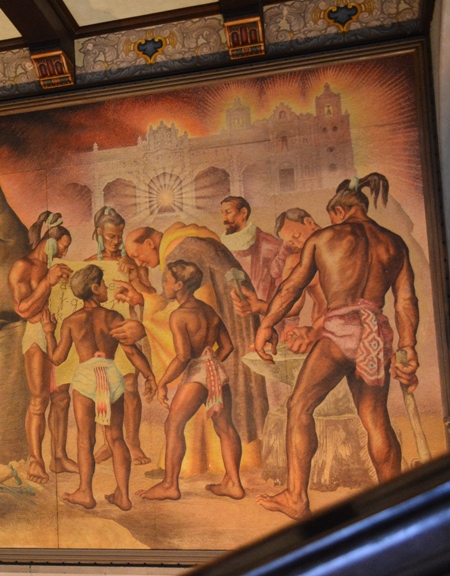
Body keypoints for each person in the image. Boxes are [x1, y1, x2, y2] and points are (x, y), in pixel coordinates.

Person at [254, 173, 420, 519]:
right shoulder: (394, 243)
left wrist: (267, 325)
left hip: (339, 333)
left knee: (300, 406)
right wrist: (408, 347)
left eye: (332, 216)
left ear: (339, 211)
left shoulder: (325, 237)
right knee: (375, 418)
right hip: (375, 336)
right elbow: (405, 301)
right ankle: (397, 504)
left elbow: (291, 287)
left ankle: (296, 498)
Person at [111, 222, 268, 454]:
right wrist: (142, 296)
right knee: (224, 421)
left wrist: (144, 327)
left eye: (136, 255)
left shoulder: (180, 252)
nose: (138, 262)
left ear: (149, 243)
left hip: (208, 352)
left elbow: (187, 318)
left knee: (182, 423)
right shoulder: (190, 241)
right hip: (230, 336)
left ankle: (198, 464)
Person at [41, 264, 157, 511]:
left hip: (85, 379)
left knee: (85, 439)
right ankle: (123, 495)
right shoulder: (113, 317)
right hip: (110, 376)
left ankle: (86, 492)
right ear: (95, 288)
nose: (106, 288)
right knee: (115, 437)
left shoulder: (71, 321)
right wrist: (149, 375)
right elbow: (131, 351)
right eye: (103, 284)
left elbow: (57, 358)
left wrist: (49, 333)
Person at [136, 260, 244, 501]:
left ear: (179, 285)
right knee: (225, 427)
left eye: (166, 280)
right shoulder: (209, 311)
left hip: (197, 373)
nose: (163, 284)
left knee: (173, 425)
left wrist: (163, 382)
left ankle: (170, 485)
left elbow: (184, 357)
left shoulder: (180, 315)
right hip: (216, 372)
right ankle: (234, 483)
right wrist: (211, 363)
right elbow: (227, 346)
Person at [8, 211, 77, 484]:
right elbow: (23, 309)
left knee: (61, 398)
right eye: (63, 246)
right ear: (50, 242)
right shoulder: (22, 266)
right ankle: (36, 460)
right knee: (39, 400)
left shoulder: (56, 265)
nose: (65, 252)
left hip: (59, 334)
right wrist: (48, 282)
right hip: (37, 335)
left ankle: (58, 456)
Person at [85, 205, 151, 466]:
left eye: (119, 236)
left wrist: (134, 274)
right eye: (110, 236)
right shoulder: (89, 264)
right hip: (102, 336)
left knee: (130, 387)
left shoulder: (133, 263)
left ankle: (133, 443)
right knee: (104, 389)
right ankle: (109, 442)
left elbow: (150, 296)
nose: (115, 241)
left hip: (128, 332)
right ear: (99, 233)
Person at [232, 208, 327, 354]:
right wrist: (258, 306)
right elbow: (291, 307)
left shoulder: (342, 245)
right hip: (321, 335)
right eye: (291, 242)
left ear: (309, 222)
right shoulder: (296, 261)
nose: (298, 244)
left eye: (297, 236)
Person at [220, 196, 282, 301]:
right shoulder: (221, 245)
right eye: (222, 213)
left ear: (243, 213)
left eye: (228, 212)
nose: (224, 219)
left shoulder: (270, 245)